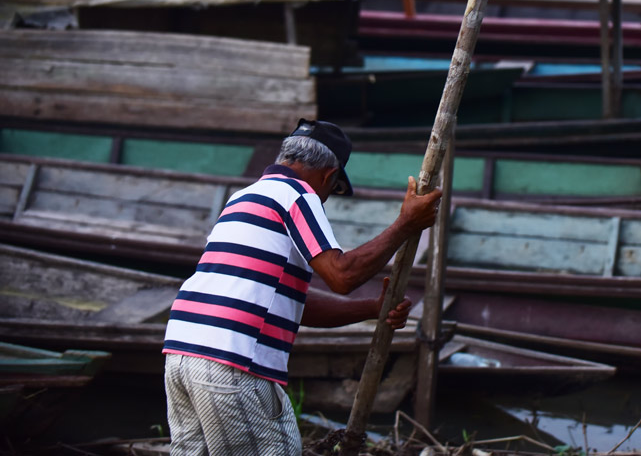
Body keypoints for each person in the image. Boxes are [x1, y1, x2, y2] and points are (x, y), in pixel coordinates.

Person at [162, 118, 442, 455]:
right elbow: (342, 276)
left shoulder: (244, 197)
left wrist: (371, 309)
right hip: (231, 359)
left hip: (182, 354)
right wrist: (405, 224)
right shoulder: (298, 196)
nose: (326, 199)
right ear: (328, 176)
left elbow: (289, 302)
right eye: (333, 189)